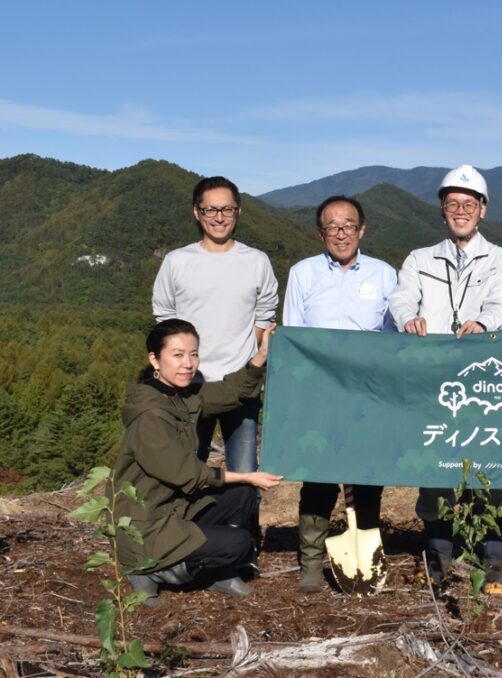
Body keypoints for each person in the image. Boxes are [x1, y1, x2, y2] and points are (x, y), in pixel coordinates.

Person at [388, 164, 502, 592]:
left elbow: (501, 298)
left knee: (492, 473)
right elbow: (403, 297)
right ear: (442, 210)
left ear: (482, 210)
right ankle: (439, 556)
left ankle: (493, 558)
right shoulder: (419, 259)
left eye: (468, 204)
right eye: (452, 204)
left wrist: (483, 324)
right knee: (436, 470)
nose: (460, 211)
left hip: (483, 385)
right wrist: (408, 318)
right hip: (436, 383)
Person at [116, 319, 283, 607]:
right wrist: (247, 476)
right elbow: (186, 474)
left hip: (175, 508)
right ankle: (150, 570)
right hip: (146, 524)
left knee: (242, 497)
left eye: (193, 354)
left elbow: (233, 392)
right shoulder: (150, 416)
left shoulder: (183, 396)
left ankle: (215, 570)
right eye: (177, 355)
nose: (188, 363)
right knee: (240, 543)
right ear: (154, 359)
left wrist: (261, 354)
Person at [283, 195, 398, 593]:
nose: (340, 232)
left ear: (361, 230)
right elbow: (293, 336)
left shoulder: (385, 275)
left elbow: (393, 339)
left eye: (348, 225)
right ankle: (311, 565)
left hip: (367, 396)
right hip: (320, 393)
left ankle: (365, 554)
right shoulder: (303, 274)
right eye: (332, 226)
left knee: (368, 478)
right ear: (321, 232)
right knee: (318, 479)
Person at [152, 176, 279, 474]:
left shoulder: (256, 261)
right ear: (197, 212)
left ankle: (241, 523)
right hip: (189, 387)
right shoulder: (177, 261)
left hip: (242, 386)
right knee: (185, 471)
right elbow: (164, 318)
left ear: (239, 211)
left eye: (227, 209)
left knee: (247, 474)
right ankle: (188, 523)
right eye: (210, 210)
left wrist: (250, 364)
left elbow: (265, 314)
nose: (219, 217)